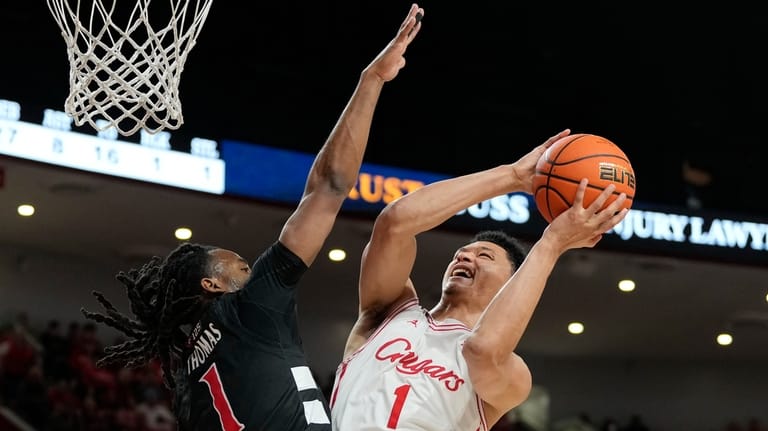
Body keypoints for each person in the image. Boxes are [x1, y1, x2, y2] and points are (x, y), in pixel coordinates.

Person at [80, 4, 425, 430]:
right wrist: (370, 80)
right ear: (212, 284)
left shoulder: (188, 378)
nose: (250, 264)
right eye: (239, 265)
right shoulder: (247, 306)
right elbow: (330, 185)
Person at [329, 129, 629, 430]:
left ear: (511, 282)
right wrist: (512, 176)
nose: (464, 257)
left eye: (484, 256)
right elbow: (395, 223)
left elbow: (482, 350)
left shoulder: (513, 375)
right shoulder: (387, 314)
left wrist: (552, 243)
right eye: (461, 253)